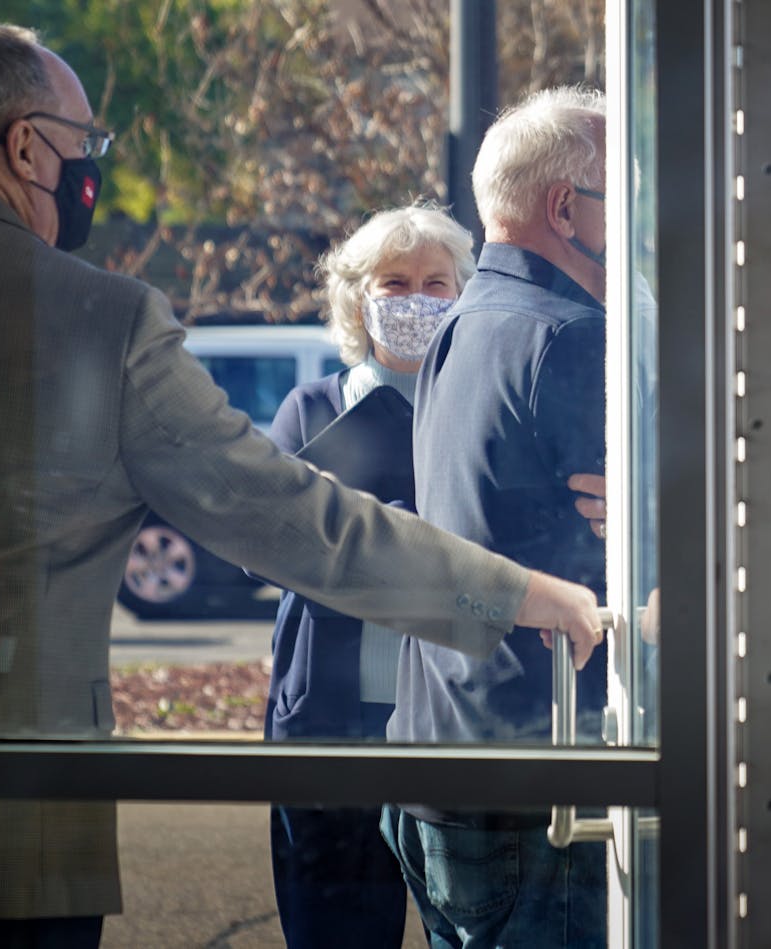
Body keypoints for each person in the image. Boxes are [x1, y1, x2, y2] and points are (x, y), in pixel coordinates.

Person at [0, 17, 602, 948]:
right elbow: (290, 519)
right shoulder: (91, 319)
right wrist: (523, 595)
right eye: (85, 147)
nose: (89, 169)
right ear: (27, 147)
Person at [379, 85, 609, 948]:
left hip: (442, 754)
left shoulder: (463, 320)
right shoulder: (571, 335)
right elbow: (624, 555)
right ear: (565, 207)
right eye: (621, 191)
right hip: (536, 785)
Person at [262, 202, 475, 949]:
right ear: (358, 297)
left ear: (465, 293)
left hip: (450, 726)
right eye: (395, 282)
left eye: (436, 282)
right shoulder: (309, 409)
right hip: (332, 725)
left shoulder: (482, 412)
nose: (418, 299)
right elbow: (283, 544)